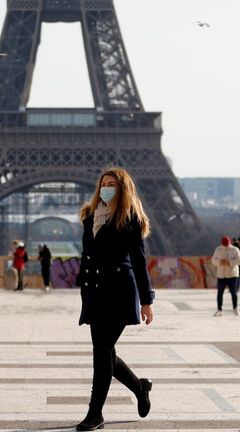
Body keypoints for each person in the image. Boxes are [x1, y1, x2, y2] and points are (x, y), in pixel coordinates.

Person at [75, 167, 155, 431]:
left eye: (112, 184)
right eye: (103, 184)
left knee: (101, 353)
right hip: (95, 290)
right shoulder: (89, 216)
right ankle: (139, 387)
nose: (106, 188)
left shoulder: (129, 218)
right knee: (106, 352)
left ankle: (94, 413)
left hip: (119, 290)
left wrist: (147, 300)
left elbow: (139, 261)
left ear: (122, 189)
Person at [211, 236, 240, 316]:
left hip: (232, 275)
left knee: (234, 293)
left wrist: (230, 262)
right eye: (224, 245)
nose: (225, 247)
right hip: (221, 275)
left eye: (227, 245)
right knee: (220, 293)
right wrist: (219, 262)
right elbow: (213, 261)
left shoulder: (235, 249)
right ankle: (219, 309)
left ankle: (235, 308)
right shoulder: (218, 249)